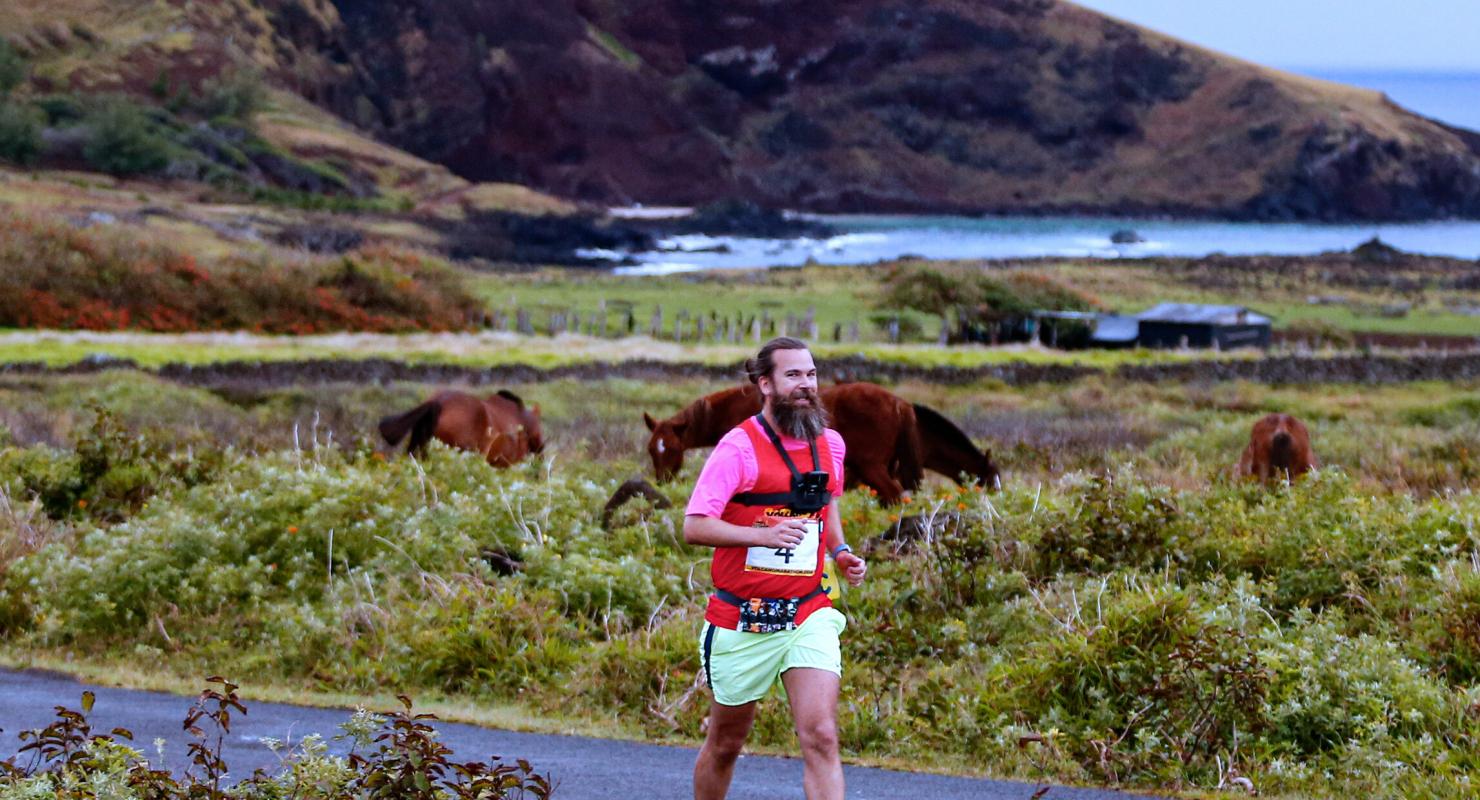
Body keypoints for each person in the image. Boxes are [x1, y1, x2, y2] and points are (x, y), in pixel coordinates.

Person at [683, 337, 867, 800]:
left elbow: (826, 505)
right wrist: (758, 536)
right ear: (765, 384)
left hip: (808, 610)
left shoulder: (832, 444)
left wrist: (840, 551)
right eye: (793, 376)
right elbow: (695, 525)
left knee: (822, 735)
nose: (806, 385)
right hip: (742, 617)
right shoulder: (738, 447)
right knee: (726, 744)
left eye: (811, 375)